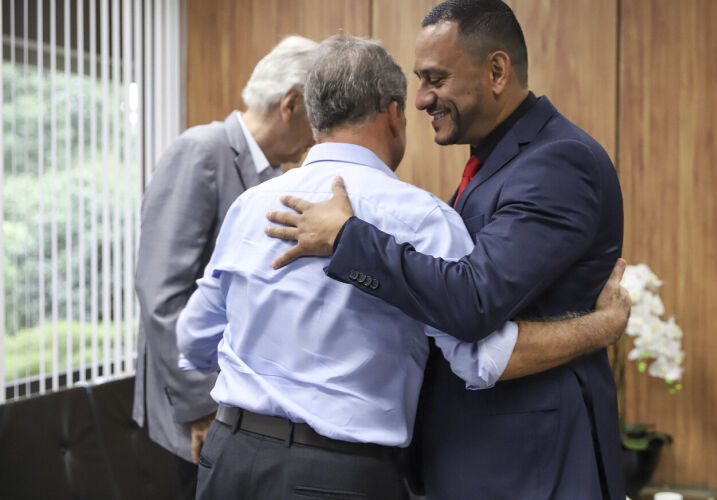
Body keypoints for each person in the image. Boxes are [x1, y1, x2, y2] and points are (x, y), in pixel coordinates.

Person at [177, 34, 629, 500]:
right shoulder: (422, 219)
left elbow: (192, 338)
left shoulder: (250, 205)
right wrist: (601, 327)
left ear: (314, 117)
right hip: (335, 476)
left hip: (228, 458)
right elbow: (481, 360)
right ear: (392, 115)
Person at [132, 35, 318, 499]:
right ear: (291, 104)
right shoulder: (202, 151)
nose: (323, 132)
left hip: (240, 413)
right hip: (195, 413)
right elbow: (161, 296)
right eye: (322, 114)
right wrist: (199, 409)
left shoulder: (277, 176)